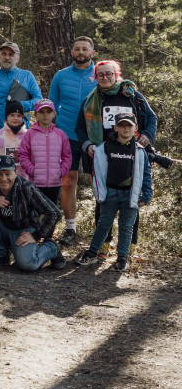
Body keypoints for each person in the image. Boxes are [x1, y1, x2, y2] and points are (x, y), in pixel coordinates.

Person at [77, 60, 158, 258]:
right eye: (100, 74)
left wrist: (147, 134)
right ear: (95, 77)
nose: (105, 77)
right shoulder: (91, 99)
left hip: (131, 156)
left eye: (109, 74)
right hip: (101, 159)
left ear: (116, 75)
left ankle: (129, 246)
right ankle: (104, 245)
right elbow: (80, 127)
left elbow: (151, 118)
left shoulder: (132, 96)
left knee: (133, 200)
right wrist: (87, 145)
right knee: (102, 201)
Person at [74, 112, 152, 272]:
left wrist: (147, 194)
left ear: (135, 128)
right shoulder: (104, 147)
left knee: (126, 225)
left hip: (131, 194)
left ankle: (122, 257)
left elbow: (146, 173)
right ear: (115, 127)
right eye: (122, 125)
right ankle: (92, 252)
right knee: (103, 223)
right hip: (110, 192)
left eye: (129, 125)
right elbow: (98, 170)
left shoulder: (139, 150)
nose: (125, 128)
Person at [0, 155, 66, 271]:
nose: (4, 178)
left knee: (28, 264)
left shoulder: (26, 188)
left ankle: (52, 248)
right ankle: (0, 254)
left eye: (8, 174)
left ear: (15, 173)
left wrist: (36, 235)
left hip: (23, 231)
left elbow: (54, 212)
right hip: (1, 229)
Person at [47, 36, 96, 245]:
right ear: (71, 53)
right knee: (68, 181)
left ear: (92, 53)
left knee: (99, 184)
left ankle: (101, 231)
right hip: (66, 135)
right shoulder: (61, 76)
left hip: (95, 138)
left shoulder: (100, 74)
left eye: (85, 49)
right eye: (77, 49)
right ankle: (70, 228)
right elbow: (51, 104)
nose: (81, 52)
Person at [17, 99, 71, 206]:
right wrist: (32, 170)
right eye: (41, 112)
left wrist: (61, 172)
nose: (45, 115)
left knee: (52, 212)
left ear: (54, 114)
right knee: (35, 212)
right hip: (36, 181)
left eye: (48, 112)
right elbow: (23, 155)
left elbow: (67, 156)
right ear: (36, 114)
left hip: (54, 182)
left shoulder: (60, 134)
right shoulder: (29, 134)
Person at [0, 42, 42, 129]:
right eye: (4, 54)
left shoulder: (27, 76)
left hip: (20, 131)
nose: (6, 57)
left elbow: (38, 101)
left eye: (11, 54)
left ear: (18, 58)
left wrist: (21, 105)